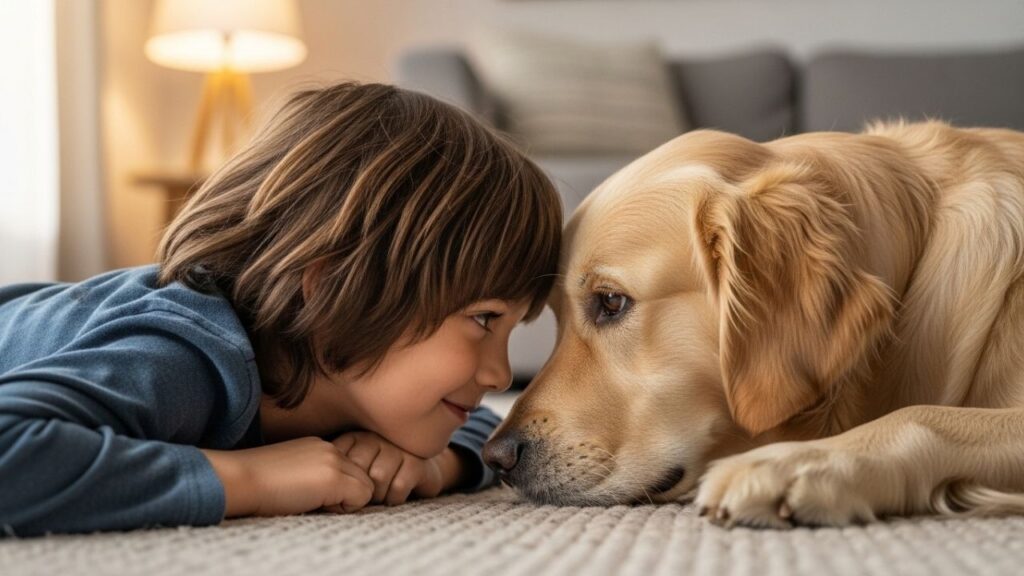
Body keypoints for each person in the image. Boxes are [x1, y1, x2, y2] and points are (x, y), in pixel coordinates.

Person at [0, 82, 562, 536]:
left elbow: (482, 428)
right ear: (332, 286)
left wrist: (432, 467)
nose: (499, 373)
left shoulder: (341, 376)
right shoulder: (181, 357)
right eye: (484, 320)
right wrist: (249, 480)